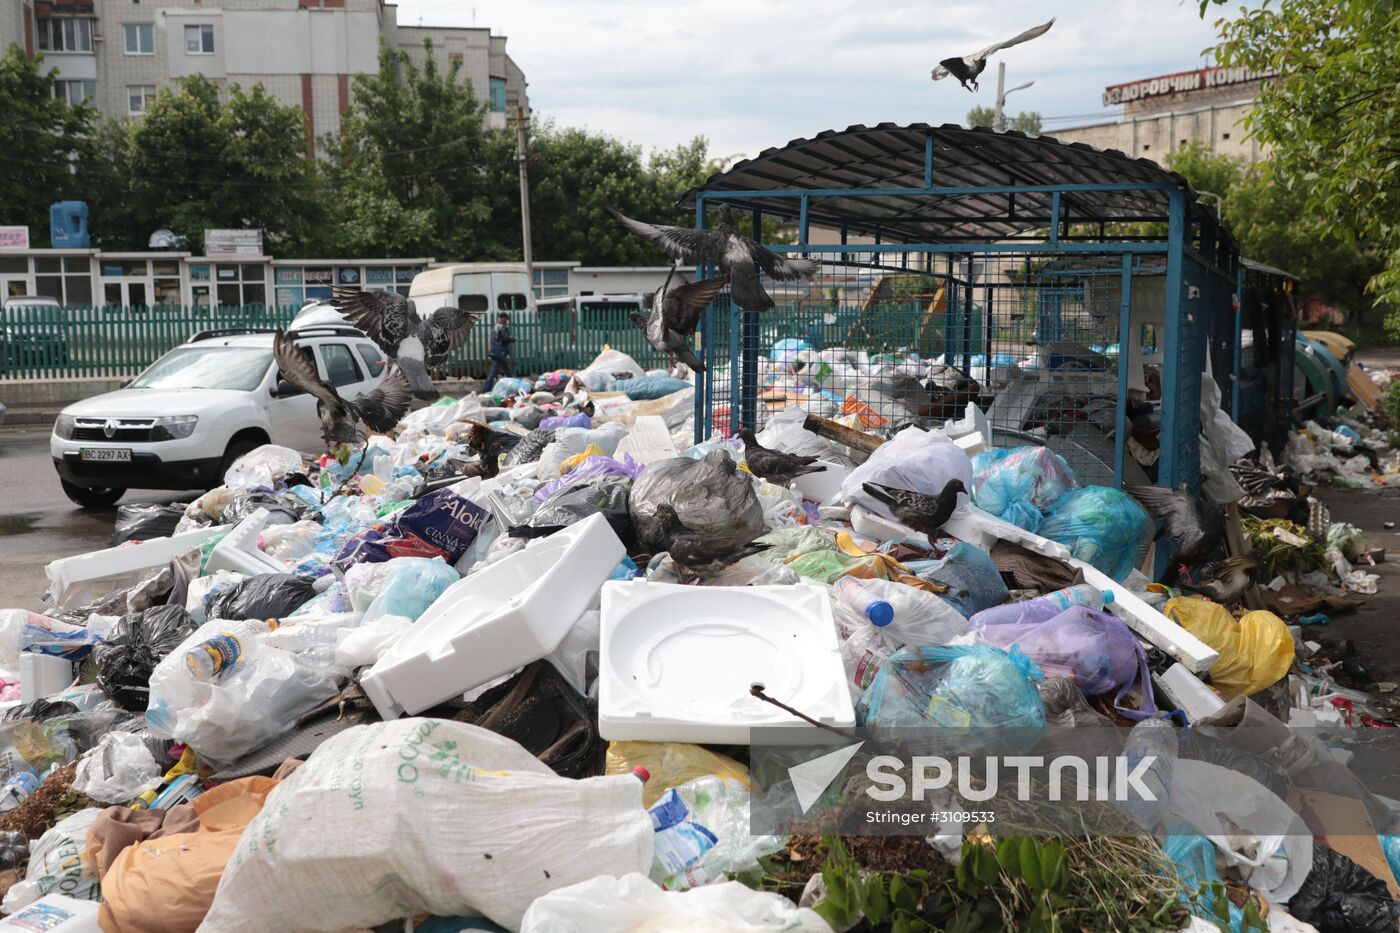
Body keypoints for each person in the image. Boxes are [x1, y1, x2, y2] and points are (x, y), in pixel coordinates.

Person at [486, 312, 514, 390]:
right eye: (506, 319)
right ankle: (486, 389)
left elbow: (494, 339)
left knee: (507, 370)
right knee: (493, 372)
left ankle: (514, 384)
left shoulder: (495, 327)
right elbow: (505, 338)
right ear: (503, 318)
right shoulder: (502, 327)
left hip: (496, 351)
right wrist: (512, 338)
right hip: (500, 353)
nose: (506, 321)